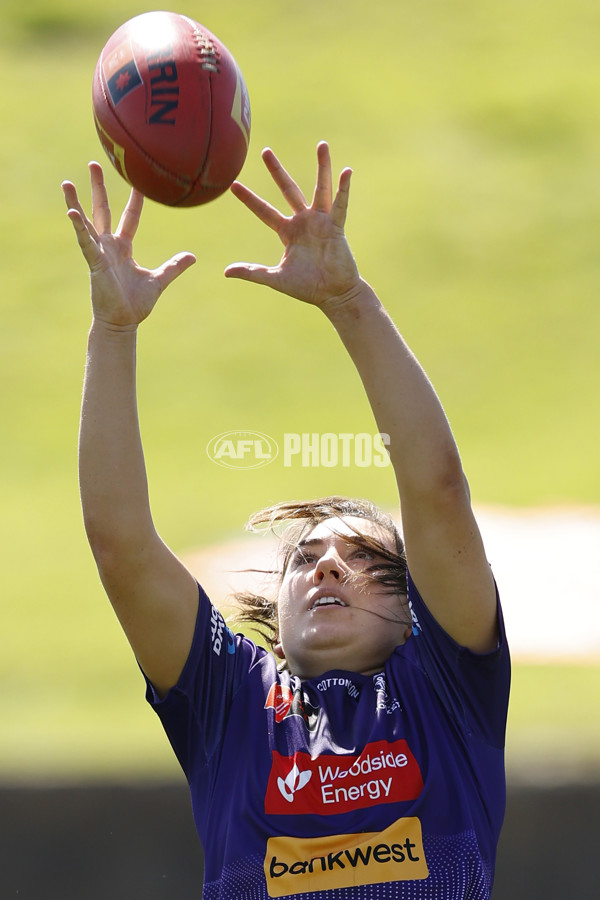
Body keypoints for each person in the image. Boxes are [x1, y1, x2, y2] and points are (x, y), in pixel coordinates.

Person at [63, 142, 510, 899]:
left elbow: (436, 489)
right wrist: (113, 333)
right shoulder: (230, 702)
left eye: (363, 558)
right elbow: (122, 549)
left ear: (415, 613)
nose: (327, 566)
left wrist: (349, 301)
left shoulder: (446, 685)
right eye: (305, 559)